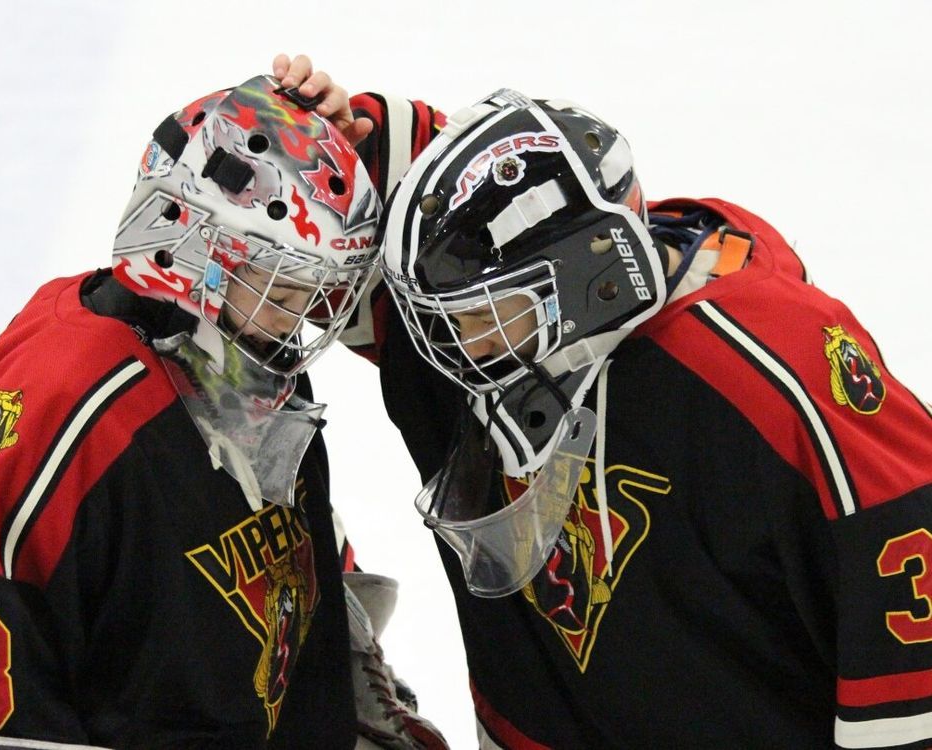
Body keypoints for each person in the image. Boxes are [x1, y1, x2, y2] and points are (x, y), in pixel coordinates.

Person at [351, 88, 932, 748]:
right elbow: (308, 289)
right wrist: (360, 150)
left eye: (482, 315)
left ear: (590, 278)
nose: (460, 347)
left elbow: (904, 593)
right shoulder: (501, 341)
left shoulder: (774, 371)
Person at [0, 59, 445, 750]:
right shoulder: (64, 404)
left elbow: (268, 560)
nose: (304, 318)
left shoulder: (240, 354)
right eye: (284, 288)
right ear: (187, 245)